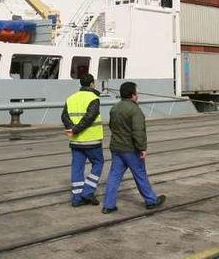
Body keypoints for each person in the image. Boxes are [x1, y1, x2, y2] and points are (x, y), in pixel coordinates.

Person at [101, 82, 166, 213]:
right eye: (137, 92)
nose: (138, 95)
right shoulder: (135, 110)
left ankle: (108, 205)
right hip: (131, 149)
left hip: (116, 147)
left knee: (114, 175)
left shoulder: (115, 108)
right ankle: (151, 201)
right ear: (132, 95)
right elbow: (138, 131)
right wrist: (142, 148)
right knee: (140, 174)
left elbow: (112, 127)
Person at [61, 73, 105, 206]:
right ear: (92, 84)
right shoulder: (94, 98)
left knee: (77, 168)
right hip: (92, 140)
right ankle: (87, 192)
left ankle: (76, 198)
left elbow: (64, 116)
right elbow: (89, 117)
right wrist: (76, 129)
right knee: (98, 163)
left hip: (75, 141)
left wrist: (72, 129)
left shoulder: (71, 98)